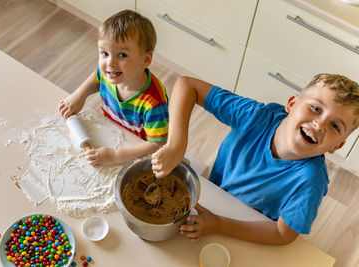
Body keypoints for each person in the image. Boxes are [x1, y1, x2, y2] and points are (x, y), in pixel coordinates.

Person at [151, 73, 359, 245]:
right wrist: (176, 145)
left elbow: (282, 234)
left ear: (337, 146)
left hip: (247, 228)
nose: (320, 125)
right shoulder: (256, 116)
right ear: (292, 104)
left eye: (335, 126)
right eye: (315, 108)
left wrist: (218, 225)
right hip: (214, 195)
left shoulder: (311, 181)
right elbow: (188, 85)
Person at [58, 10, 168, 167]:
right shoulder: (112, 74)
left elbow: (158, 144)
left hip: (136, 152)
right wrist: (80, 94)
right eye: (104, 53)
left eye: (122, 55)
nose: (110, 63)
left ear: (146, 59)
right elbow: (98, 76)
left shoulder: (154, 103)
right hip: (112, 133)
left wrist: (116, 156)